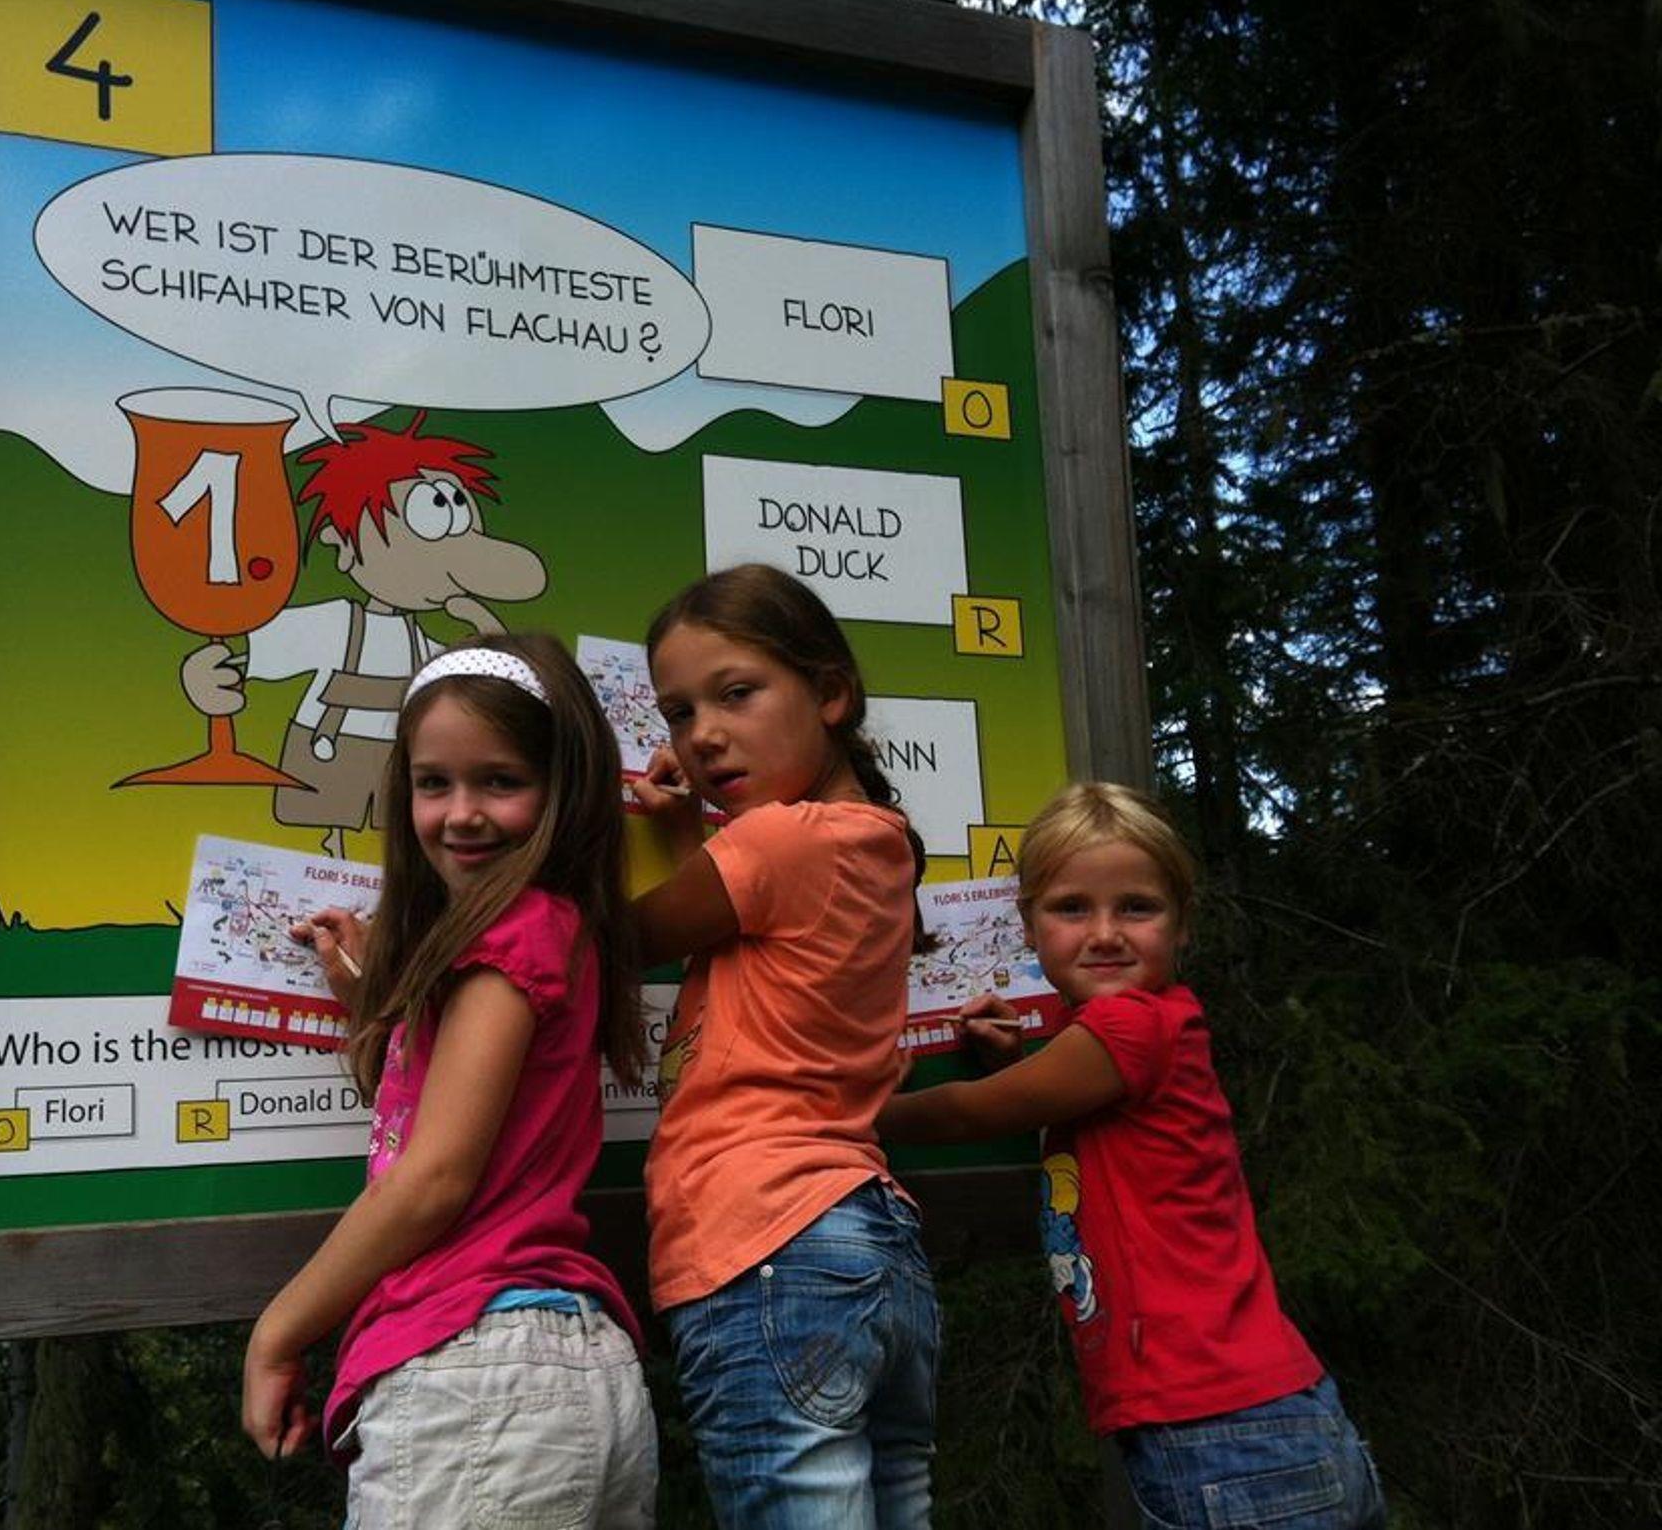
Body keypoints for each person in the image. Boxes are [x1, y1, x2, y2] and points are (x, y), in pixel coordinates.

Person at [877, 781, 1386, 1529]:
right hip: (1259, 1424)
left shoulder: (1133, 1028)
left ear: (1183, 924)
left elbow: (975, 1112)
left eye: (1137, 908)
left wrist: (861, 1108)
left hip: (1225, 1436)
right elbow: (1064, 1109)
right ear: (1028, 925)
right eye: (1072, 908)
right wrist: (1012, 1060)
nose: (1105, 933)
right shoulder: (1127, 1038)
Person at [241, 632, 657, 1526]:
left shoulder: (508, 938)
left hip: (478, 1374)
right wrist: (375, 1002)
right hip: (562, 1371)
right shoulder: (555, 932)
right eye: (434, 783)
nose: (461, 814)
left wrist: (278, 1333)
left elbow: (433, 1177)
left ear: (564, 787)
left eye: (499, 781)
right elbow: (457, 1103)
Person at [628, 563, 938, 1529]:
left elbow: (618, 936)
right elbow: (742, 926)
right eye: (679, 712)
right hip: (869, 1240)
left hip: (763, 1238)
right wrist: (691, 835)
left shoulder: (781, 844)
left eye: (737, 694)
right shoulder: (869, 844)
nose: (702, 735)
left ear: (831, 693)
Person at [182, 412, 548, 854]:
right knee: (328, 837)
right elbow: (241, 654)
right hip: (328, 747)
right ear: (344, 544)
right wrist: (206, 676)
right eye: (430, 519)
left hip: (398, 761)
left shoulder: (425, 646)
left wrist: (485, 626)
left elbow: (486, 694)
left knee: (390, 842)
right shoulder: (336, 623)